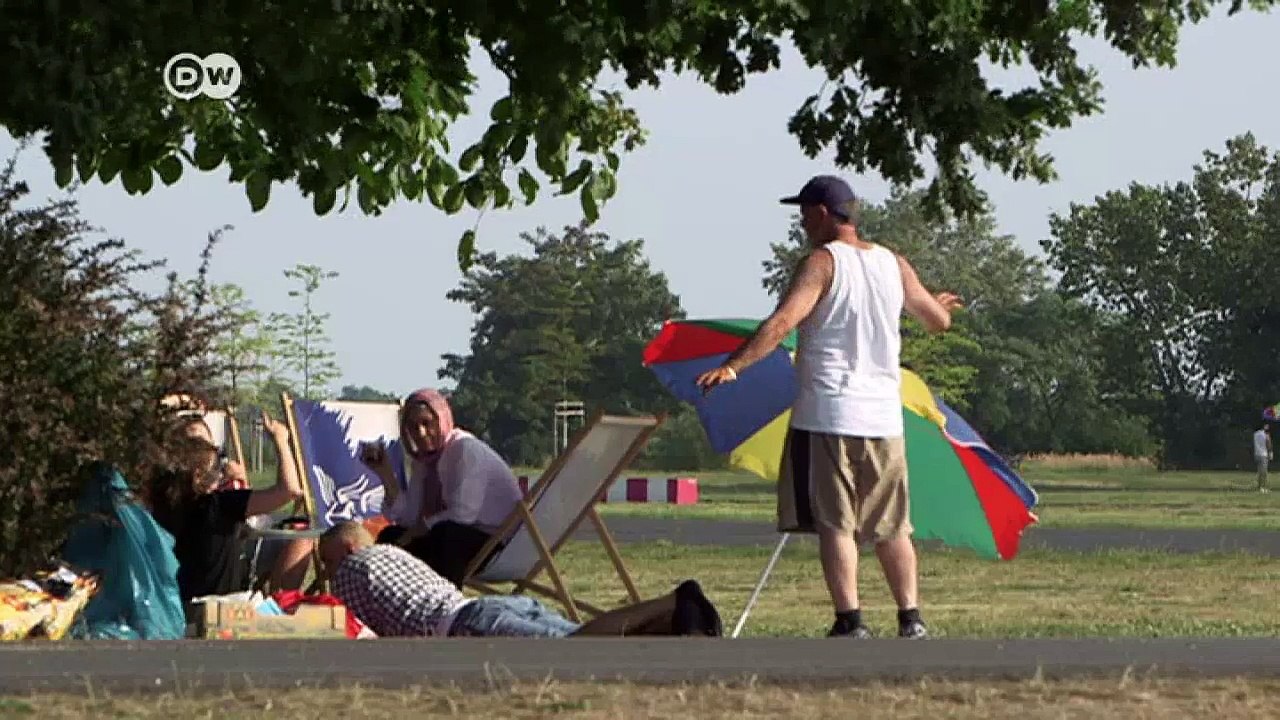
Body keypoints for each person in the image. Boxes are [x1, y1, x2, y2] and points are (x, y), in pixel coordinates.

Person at [696, 175, 962, 640]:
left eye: (804, 212)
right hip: (884, 417)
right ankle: (911, 618)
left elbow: (782, 323)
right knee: (892, 526)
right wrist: (933, 303)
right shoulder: (892, 264)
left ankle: (851, 620)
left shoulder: (821, 263)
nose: (801, 222)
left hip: (831, 414)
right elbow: (937, 321)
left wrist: (735, 366)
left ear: (822, 212)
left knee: (837, 524)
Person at [318, 521, 723, 638]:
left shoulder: (354, 571)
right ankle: (677, 628)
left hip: (466, 625)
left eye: (328, 561)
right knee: (587, 640)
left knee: (574, 651)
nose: (327, 571)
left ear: (349, 551)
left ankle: (674, 601)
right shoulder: (394, 555)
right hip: (485, 608)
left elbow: (345, 630)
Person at [145, 409, 308, 619]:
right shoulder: (218, 506)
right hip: (220, 611)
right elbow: (289, 491)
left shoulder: (160, 502)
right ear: (198, 472)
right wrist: (280, 440)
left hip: (176, 610)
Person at [359, 388, 523, 586]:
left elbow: (464, 515)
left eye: (427, 423)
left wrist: (423, 528)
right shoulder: (424, 462)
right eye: (413, 426)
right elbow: (410, 518)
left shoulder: (464, 450)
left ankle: (444, 606)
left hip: (498, 544)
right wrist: (385, 473)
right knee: (391, 536)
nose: (421, 432)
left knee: (446, 534)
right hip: (455, 537)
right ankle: (391, 605)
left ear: (442, 419)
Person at [1253, 424, 1271, 493]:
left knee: (1260, 471)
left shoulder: (1255, 434)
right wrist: (1270, 452)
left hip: (1257, 454)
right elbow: (1268, 443)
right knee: (1264, 472)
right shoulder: (1265, 434)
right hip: (1263, 454)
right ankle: (1262, 487)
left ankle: (1259, 486)